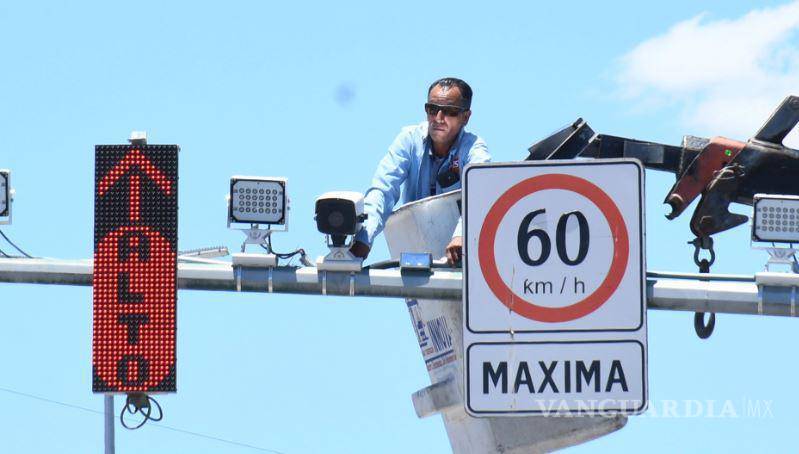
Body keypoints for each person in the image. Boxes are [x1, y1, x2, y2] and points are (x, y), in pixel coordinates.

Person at [351, 77, 491, 264]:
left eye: (449, 112)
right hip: (416, 263)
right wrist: (363, 238)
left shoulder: (474, 149)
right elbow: (383, 190)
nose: (438, 118)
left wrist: (461, 236)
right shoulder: (409, 140)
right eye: (432, 109)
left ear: (465, 117)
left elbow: (480, 192)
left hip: (462, 263)